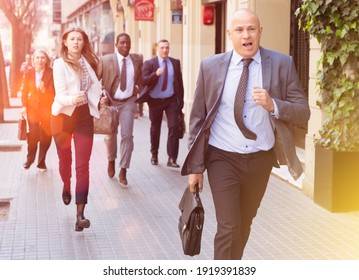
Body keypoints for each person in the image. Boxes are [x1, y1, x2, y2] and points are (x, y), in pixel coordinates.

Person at [181, 8, 310, 260]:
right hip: (222, 157)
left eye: (251, 28)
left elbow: (303, 111)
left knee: (244, 224)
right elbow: (197, 119)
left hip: (260, 159)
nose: (246, 35)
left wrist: (274, 105)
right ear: (230, 34)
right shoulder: (211, 66)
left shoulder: (282, 64)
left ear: (260, 32)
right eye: (239, 30)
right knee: (228, 228)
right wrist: (195, 168)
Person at [51, 27, 103, 232]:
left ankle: (80, 214)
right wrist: (74, 98)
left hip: (83, 117)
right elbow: (60, 94)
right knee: (65, 161)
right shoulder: (59, 64)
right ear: (65, 42)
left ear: (84, 42)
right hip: (62, 117)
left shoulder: (89, 62)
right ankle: (66, 184)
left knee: (83, 165)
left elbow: (94, 87)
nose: (75, 42)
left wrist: (100, 99)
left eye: (79, 39)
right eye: (71, 39)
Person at [98, 32, 143, 186]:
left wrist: (137, 87)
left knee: (127, 135)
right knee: (111, 135)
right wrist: (101, 96)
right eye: (122, 43)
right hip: (111, 102)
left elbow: (141, 78)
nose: (125, 45)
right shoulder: (105, 60)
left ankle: (123, 168)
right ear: (116, 45)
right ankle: (111, 159)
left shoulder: (137, 59)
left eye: (128, 43)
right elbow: (96, 81)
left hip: (128, 102)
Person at [140, 39, 184, 167]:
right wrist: (156, 74)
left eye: (167, 48)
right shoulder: (149, 63)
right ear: (157, 49)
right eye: (162, 48)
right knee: (155, 128)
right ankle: (154, 154)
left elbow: (179, 84)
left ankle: (172, 158)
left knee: (174, 127)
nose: (165, 50)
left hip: (171, 100)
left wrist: (180, 102)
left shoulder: (175, 63)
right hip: (155, 101)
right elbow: (143, 81)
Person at [21, 49, 55, 171]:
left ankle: (41, 162)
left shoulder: (52, 72)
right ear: (33, 60)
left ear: (46, 60)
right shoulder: (29, 72)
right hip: (33, 107)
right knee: (33, 134)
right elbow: (24, 90)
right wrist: (24, 106)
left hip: (47, 108)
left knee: (46, 135)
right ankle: (30, 158)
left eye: (42, 58)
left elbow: (55, 92)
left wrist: (44, 89)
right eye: (37, 58)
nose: (40, 60)